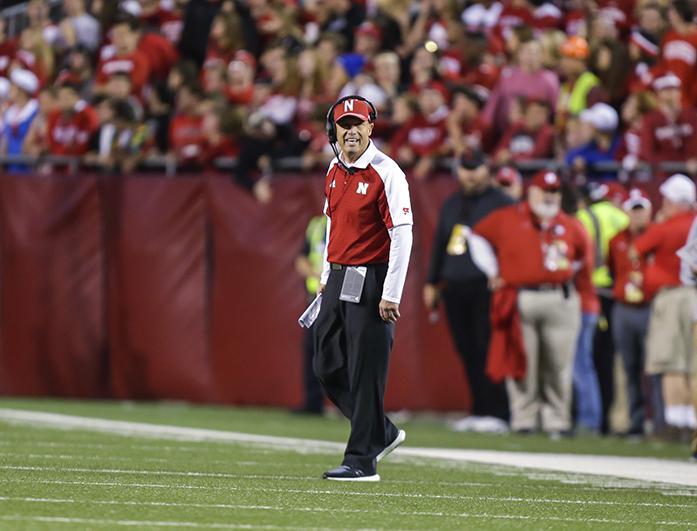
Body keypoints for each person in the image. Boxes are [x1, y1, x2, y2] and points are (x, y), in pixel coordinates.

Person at [313, 95, 413, 482]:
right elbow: (331, 227)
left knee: (365, 369)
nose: (351, 131)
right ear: (332, 130)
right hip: (339, 276)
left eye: (358, 124)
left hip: (371, 277)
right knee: (326, 364)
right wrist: (325, 274)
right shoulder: (334, 170)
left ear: (372, 127)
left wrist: (392, 292)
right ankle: (380, 432)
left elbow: (402, 235)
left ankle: (361, 460)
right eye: (344, 124)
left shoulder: (388, 172)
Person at [473, 171, 596, 437]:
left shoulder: (572, 225)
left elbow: (585, 260)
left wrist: (570, 283)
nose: (550, 197)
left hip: (560, 298)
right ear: (531, 193)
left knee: (559, 364)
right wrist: (492, 271)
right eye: (545, 191)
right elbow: (475, 236)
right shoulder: (508, 218)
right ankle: (524, 419)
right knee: (522, 361)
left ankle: (557, 421)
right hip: (521, 296)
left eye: (554, 192)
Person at [424, 150, 512, 432]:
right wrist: (431, 281)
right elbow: (441, 242)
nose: (470, 174)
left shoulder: (502, 203)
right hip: (454, 286)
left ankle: (498, 411)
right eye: (466, 168)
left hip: (487, 286)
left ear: (488, 169)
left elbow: (513, 245)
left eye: (476, 168)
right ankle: (479, 408)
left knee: (488, 347)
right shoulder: (452, 203)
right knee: (467, 349)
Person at [633, 174, 697, 441]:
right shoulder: (692, 223)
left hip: (673, 296)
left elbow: (635, 249)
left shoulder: (667, 226)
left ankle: (675, 424)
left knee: (672, 362)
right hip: (693, 295)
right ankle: (692, 424)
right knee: (692, 364)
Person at [575, 182, 629, 434]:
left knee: (587, 359)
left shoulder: (586, 216)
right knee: (610, 359)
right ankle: (612, 420)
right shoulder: (625, 217)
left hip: (590, 292)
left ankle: (589, 418)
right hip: (618, 293)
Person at [608, 188, 654, 437]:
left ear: (649, 211)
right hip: (624, 308)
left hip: (650, 306)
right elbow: (612, 269)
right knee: (628, 366)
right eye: (633, 210)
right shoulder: (616, 239)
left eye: (641, 210)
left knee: (655, 368)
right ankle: (633, 422)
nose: (637, 216)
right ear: (627, 211)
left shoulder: (658, 236)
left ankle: (659, 421)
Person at [294, 215, 328, 415]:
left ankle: (351, 405)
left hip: (340, 298)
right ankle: (313, 403)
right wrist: (318, 275)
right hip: (316, 300)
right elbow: (301, 260)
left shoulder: (348, 224)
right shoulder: (316, 225)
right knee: (311, 350)